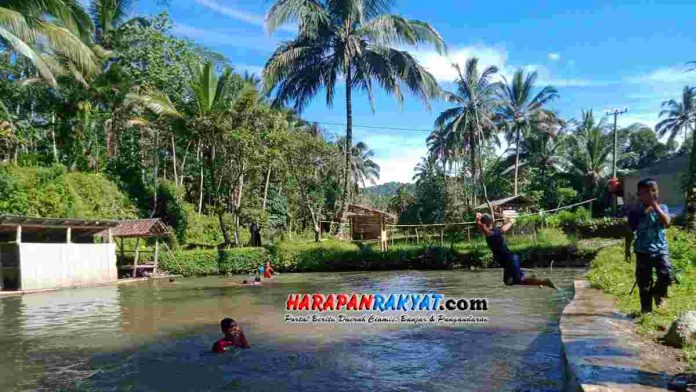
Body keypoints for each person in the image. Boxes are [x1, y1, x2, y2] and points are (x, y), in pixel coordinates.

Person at [476, 212, 557, 289]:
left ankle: (544, 282)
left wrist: (478, 218)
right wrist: (511, 221)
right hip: (509, 261)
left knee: (517, 280)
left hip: (510, 260)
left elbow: (483, 227)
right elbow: (486, 227)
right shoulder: (495, 231)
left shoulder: (491, 234)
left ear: (485, 223)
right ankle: (537, 280)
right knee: (509, 282)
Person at [626, 178, 672, 313]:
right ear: (639, 195)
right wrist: (627, 249)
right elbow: (629, 231)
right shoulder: (635, 212)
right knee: (644, 283)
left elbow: (667, 222)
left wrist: (655, 206)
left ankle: (659, 294)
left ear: (657, 192)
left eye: (653, 190)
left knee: (666, 274)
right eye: (646, 192)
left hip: (660, 249)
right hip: (642, 251)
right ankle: (646, 312)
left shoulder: (662, 208)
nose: (651, 194)